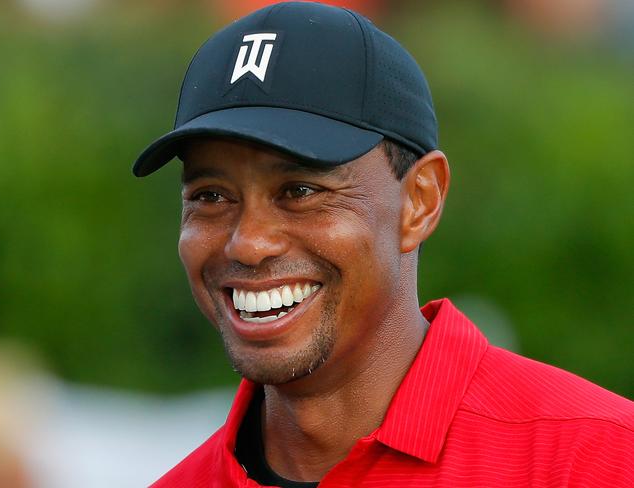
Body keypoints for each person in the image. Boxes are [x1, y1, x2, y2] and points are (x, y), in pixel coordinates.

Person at [133, 2, 634, 487]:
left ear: (421, 200)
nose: (249, 243)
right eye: (211, 196)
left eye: (300, 191)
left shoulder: (597, 459)